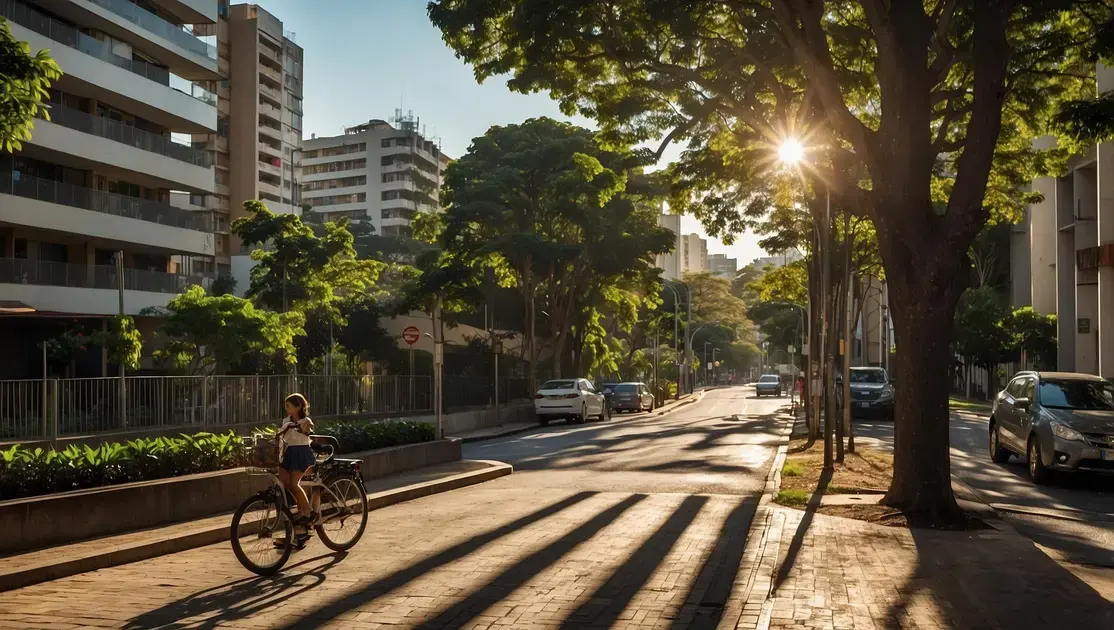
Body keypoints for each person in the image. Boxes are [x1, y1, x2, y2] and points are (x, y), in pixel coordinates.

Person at [278, 393, 316, 545]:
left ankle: (307, 512)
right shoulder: (286, 420)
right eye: (286, 406)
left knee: (294, 484)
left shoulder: (306, 420)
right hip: (288, 453)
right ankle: (301, 512)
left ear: (299, 406)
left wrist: (302, 429)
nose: (286, 409)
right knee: (285, 482)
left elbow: (307, 430)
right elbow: (282, 435)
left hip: (301, 453)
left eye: (289, 406)